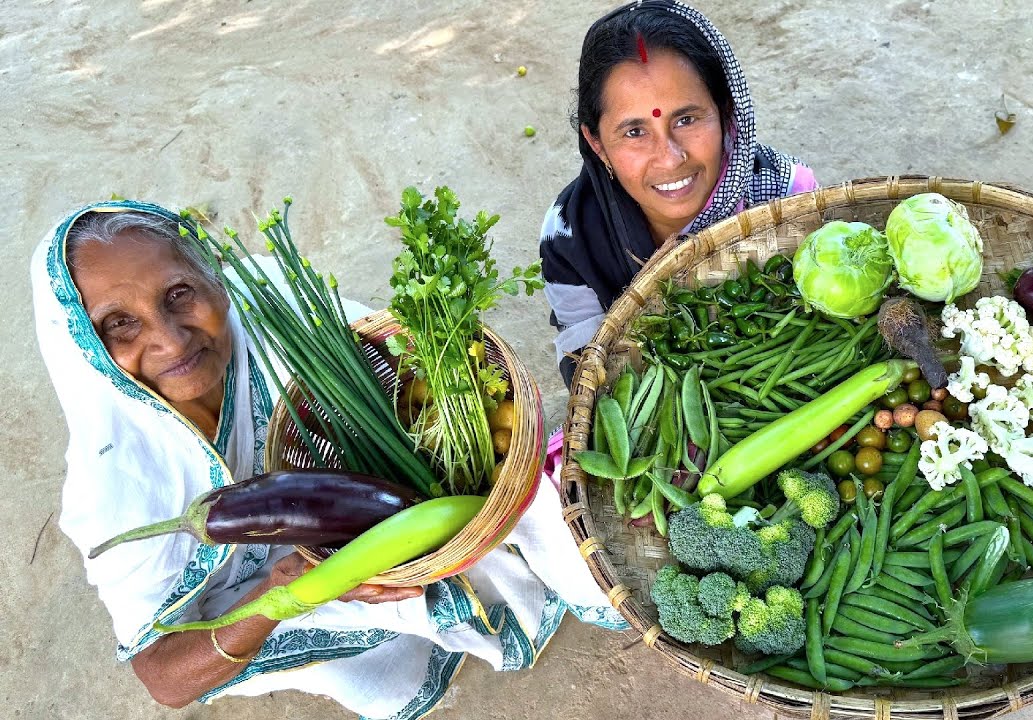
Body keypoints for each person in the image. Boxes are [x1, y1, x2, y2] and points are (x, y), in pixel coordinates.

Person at [33, 201, 625, 718]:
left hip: (371, 510)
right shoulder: (115, 484)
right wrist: (280, 594)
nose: (169, 338)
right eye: (119, 325)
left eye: (179, 293)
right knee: (357, 660)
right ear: (86, 351)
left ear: (213, 278)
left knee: (507, 511)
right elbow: (161, 676)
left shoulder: (282, 313)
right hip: (257, 594)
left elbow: (396, 383)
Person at [539, 0, 819, 387]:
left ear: (725, 112)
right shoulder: (570, 234)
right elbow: (587, 369)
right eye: (634, 132)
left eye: (686, 119)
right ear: (597, 142)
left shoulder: (788, 197)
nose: (670, 159)